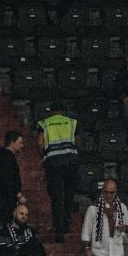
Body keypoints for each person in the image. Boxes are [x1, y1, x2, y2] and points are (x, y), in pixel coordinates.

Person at [36, 103, 80, 241]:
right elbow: (78, 141)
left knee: (57, 196)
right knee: (69, 193)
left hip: (53, 162)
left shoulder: (44, 123)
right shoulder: (72, 122)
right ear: (64, 111)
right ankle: (66, 222)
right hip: (70, 162)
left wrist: (44, 155)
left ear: (52, 112)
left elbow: (40, 143)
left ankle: (58, 228)